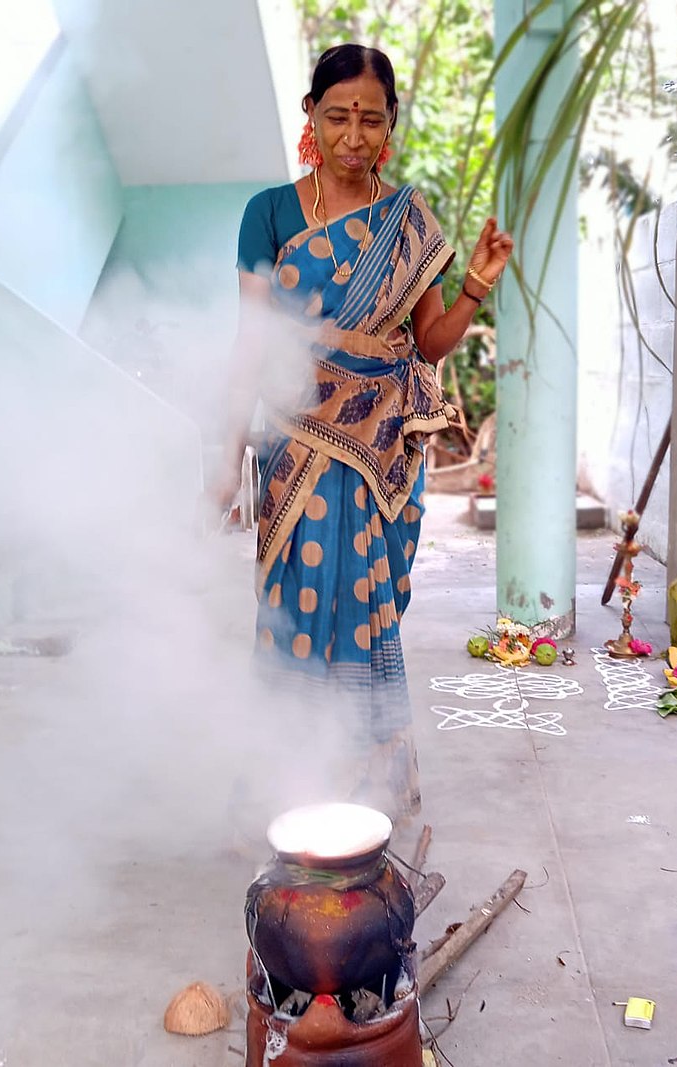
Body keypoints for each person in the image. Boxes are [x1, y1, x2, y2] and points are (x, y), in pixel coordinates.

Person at [214, 43, 513, 821]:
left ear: (390, 128)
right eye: (338, 115)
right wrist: (221, 454)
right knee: (292, 607)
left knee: (365, 603)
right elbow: (251, 343)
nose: (355, 134)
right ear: (310, 115)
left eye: (371, 120)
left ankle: (362, 785)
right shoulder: (270, 213)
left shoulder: (406, 220)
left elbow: (432, 340)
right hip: (291, 447)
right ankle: (286, 779)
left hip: (378, 448)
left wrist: (476, 282)